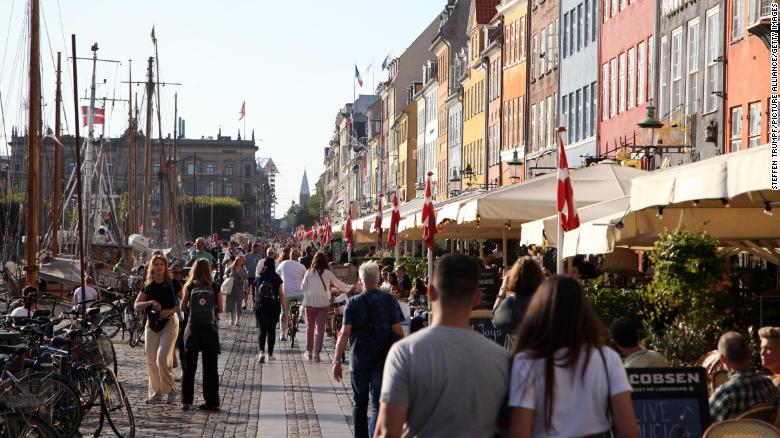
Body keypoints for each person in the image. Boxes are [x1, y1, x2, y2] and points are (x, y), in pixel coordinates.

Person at [375, 254, 509, 438]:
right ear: (477, 298)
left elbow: (387, 432)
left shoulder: (405, 353)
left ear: (431, 292)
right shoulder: (501, 359)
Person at [508, 276, 639, 438]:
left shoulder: (527, 362)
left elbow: (520, 431)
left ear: (539, 311)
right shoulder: (608, 358)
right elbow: (628, 430)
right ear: (584, 312)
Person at [332, 261, 404, 438]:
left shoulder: (354, 303)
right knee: (378, 403)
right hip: (382, 360)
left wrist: (336, 360)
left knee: (359, 404)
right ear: (378, 279)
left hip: (359, 359)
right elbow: (398, 331)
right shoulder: (389, 300)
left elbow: (344, 334)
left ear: (361, 280)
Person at [134, 254, 181, 405]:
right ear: (152, 267)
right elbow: (136, 305)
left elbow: (184, 303)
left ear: (165, 267)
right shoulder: (148, 285)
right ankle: (156, 393)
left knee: (162, 358)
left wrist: (171, 310)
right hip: (152, 324)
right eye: (156, 264)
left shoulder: (173, 283)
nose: (159, 267)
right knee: (151, 359)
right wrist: (149, 302)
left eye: (162, 264)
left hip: (169, 323)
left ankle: (171, 390)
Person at [179, 259, 223, 411]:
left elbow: (182, 307)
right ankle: (212, 402)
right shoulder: (215, 286)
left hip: (192, 330)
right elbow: (221, 309)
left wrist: (193, 313)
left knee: (189, 367)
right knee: (210, 368)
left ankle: (186, 400)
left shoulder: (190, 286)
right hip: (210, 330)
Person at [709, 331, 780, 421]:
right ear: (749, 354)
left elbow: (705, 425)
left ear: (723, 359)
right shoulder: (769, 385)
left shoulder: (725, 394)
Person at [302, 252, 353, 362]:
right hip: (323, 303)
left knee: (310, 327)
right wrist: (349, 287)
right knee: (320, 329)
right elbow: (338, 283)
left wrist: (311, 291)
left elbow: (303, 287)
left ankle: (309, 352)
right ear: (325, 261)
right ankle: (317, 354)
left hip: (310, 303)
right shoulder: (327, 273)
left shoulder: (309, 272)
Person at [492, 257, 546, 352]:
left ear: (514, 278)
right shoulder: (546, 301)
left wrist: (503, 288)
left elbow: (495, 319)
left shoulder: (511, 303)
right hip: (542, 359)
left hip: (517, 359)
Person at [255, 257, 286, 363]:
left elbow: (256, 294)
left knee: (262, 330)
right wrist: (285, 309)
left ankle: (261, 353)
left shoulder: (259, 277)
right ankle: (270, 354)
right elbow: (281, 295)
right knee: (271, 330)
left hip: (261, 306)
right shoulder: (276, 278)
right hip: (273, 306)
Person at [276, 248, 307, 342]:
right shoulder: (302, 266)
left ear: (289, 255)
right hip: (299, 293)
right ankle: (300, 315)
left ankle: (282, 334)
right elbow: (304, 279)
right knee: (304, 301)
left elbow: (277, 273)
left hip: (286, 293)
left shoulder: (283, 263)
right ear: (298, 257)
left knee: (284, 312)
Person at [171, 263, 187, 381]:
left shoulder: (181, 284)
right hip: (175, 317)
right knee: (174, 345)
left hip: (180, 317)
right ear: (171, 272)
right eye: (176, 272)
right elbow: (183, 301)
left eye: (180, 273)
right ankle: (173, 371)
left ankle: (183, 371)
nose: (178, 275)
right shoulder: (174, 283)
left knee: (181, 345)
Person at [224, 255, 248, 326]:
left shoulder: (243, 269)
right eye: (238, 260)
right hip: (231, 288)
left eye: (241, 260)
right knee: (231, 304)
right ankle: (231, 319)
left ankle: (237, 320)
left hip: (239, 288)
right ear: (236, 261)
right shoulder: (231, 268)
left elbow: (245, 279)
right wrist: (228, 276)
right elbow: (224, 275)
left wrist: (246, 287)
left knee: (238, 305)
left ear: (243, 261)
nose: (240, 261)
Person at [244, 243, 263, 309]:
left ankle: (253, 305)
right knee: (246, 291)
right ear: (254, 248)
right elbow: (243, 265)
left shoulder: (259, 256)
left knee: (254, 292)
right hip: (248, 275)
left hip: (256, 276)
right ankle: (245, 304)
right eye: (258, 248)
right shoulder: (247, 255)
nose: (259, 249)